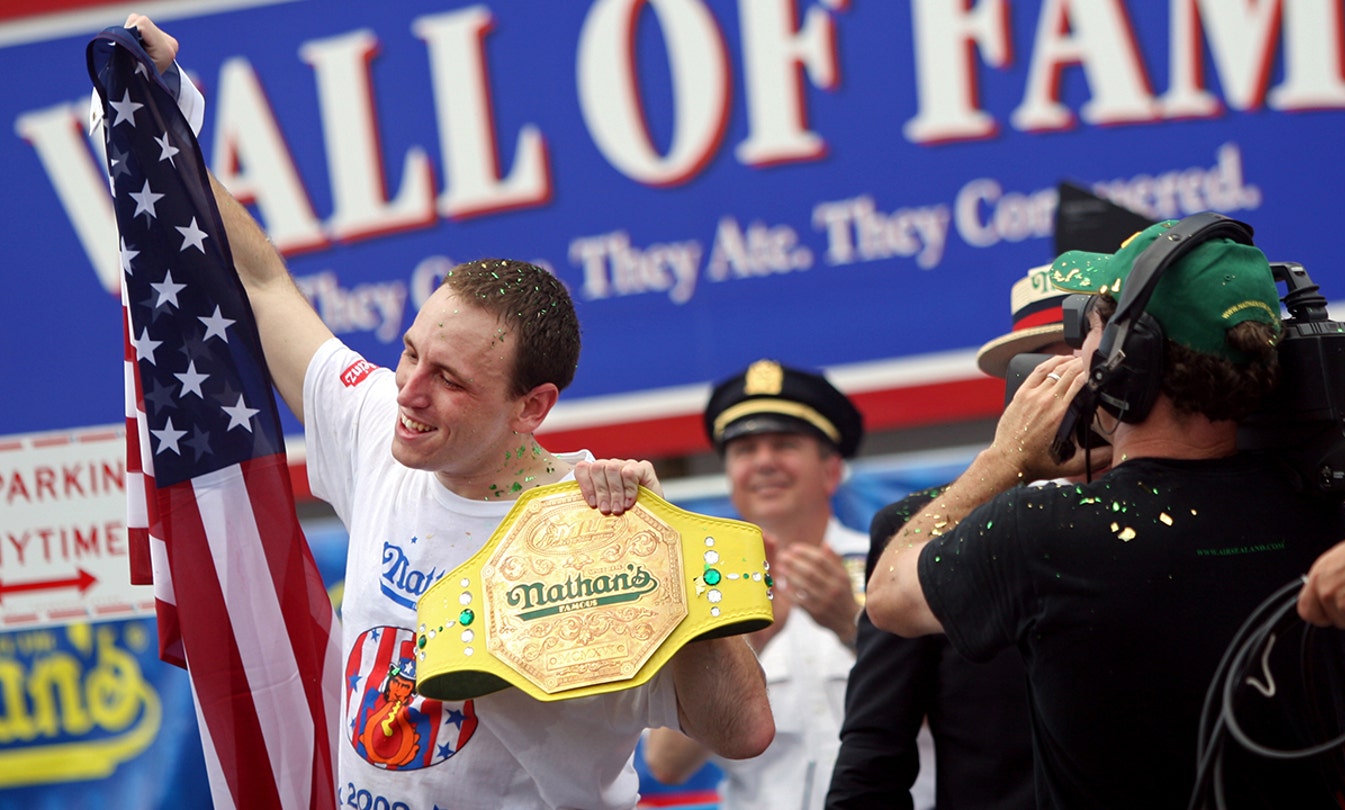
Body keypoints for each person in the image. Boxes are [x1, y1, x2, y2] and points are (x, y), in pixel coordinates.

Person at [124, 15, 773, 810]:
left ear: (532, 408)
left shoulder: (602, 526)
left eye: (451, 380)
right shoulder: (381, 430)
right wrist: (169, 115)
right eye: (409, 354)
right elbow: (263, 287)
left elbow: (742, 731)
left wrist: (676, 557)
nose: (409, 390)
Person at [866, 216, 1345, 808]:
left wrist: (1004, 459)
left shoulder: (1048, 530)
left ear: (1131, 358)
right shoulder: (1325, 522)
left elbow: (888, 593)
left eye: (1087, 328)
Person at [827, 266, 1072, 809]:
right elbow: (873, 753)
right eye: (1041, 368)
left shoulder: (1183, 498)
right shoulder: (921, 527)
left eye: (1087, 358)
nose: (1070, 385)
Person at [645, 360, 881, 810]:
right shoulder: (698, 590)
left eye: (785, 444)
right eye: (745, 450)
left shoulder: (892, 565)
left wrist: (855, 630)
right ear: (731, 480)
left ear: (831, 470)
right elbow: (665, 764)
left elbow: (967, 719)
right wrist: (751, 635)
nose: (764, 462)